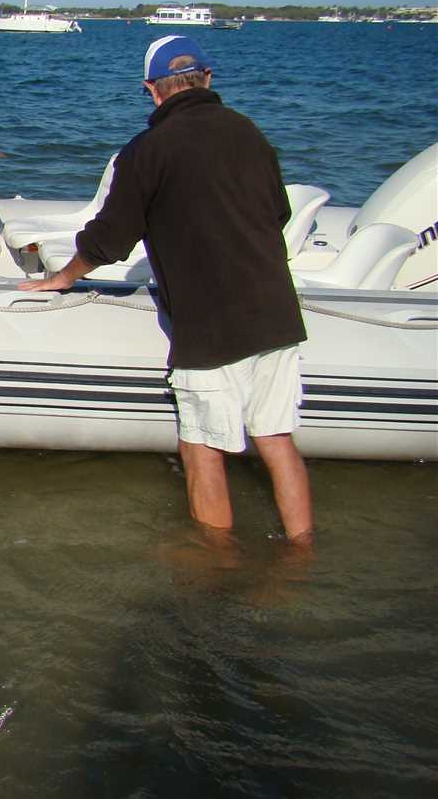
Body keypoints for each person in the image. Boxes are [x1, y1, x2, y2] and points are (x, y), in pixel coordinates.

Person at [18, 35, 313, 545]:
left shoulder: (148, 150)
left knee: (202, 448)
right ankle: (303, 553)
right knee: (276, 439)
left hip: (211, 327)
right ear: (207, 79)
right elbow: (279, 213)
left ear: (152, 90)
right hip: (277, 314)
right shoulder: (250, 133)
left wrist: (63, 277)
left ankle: (214, 563)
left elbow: (109, 240)